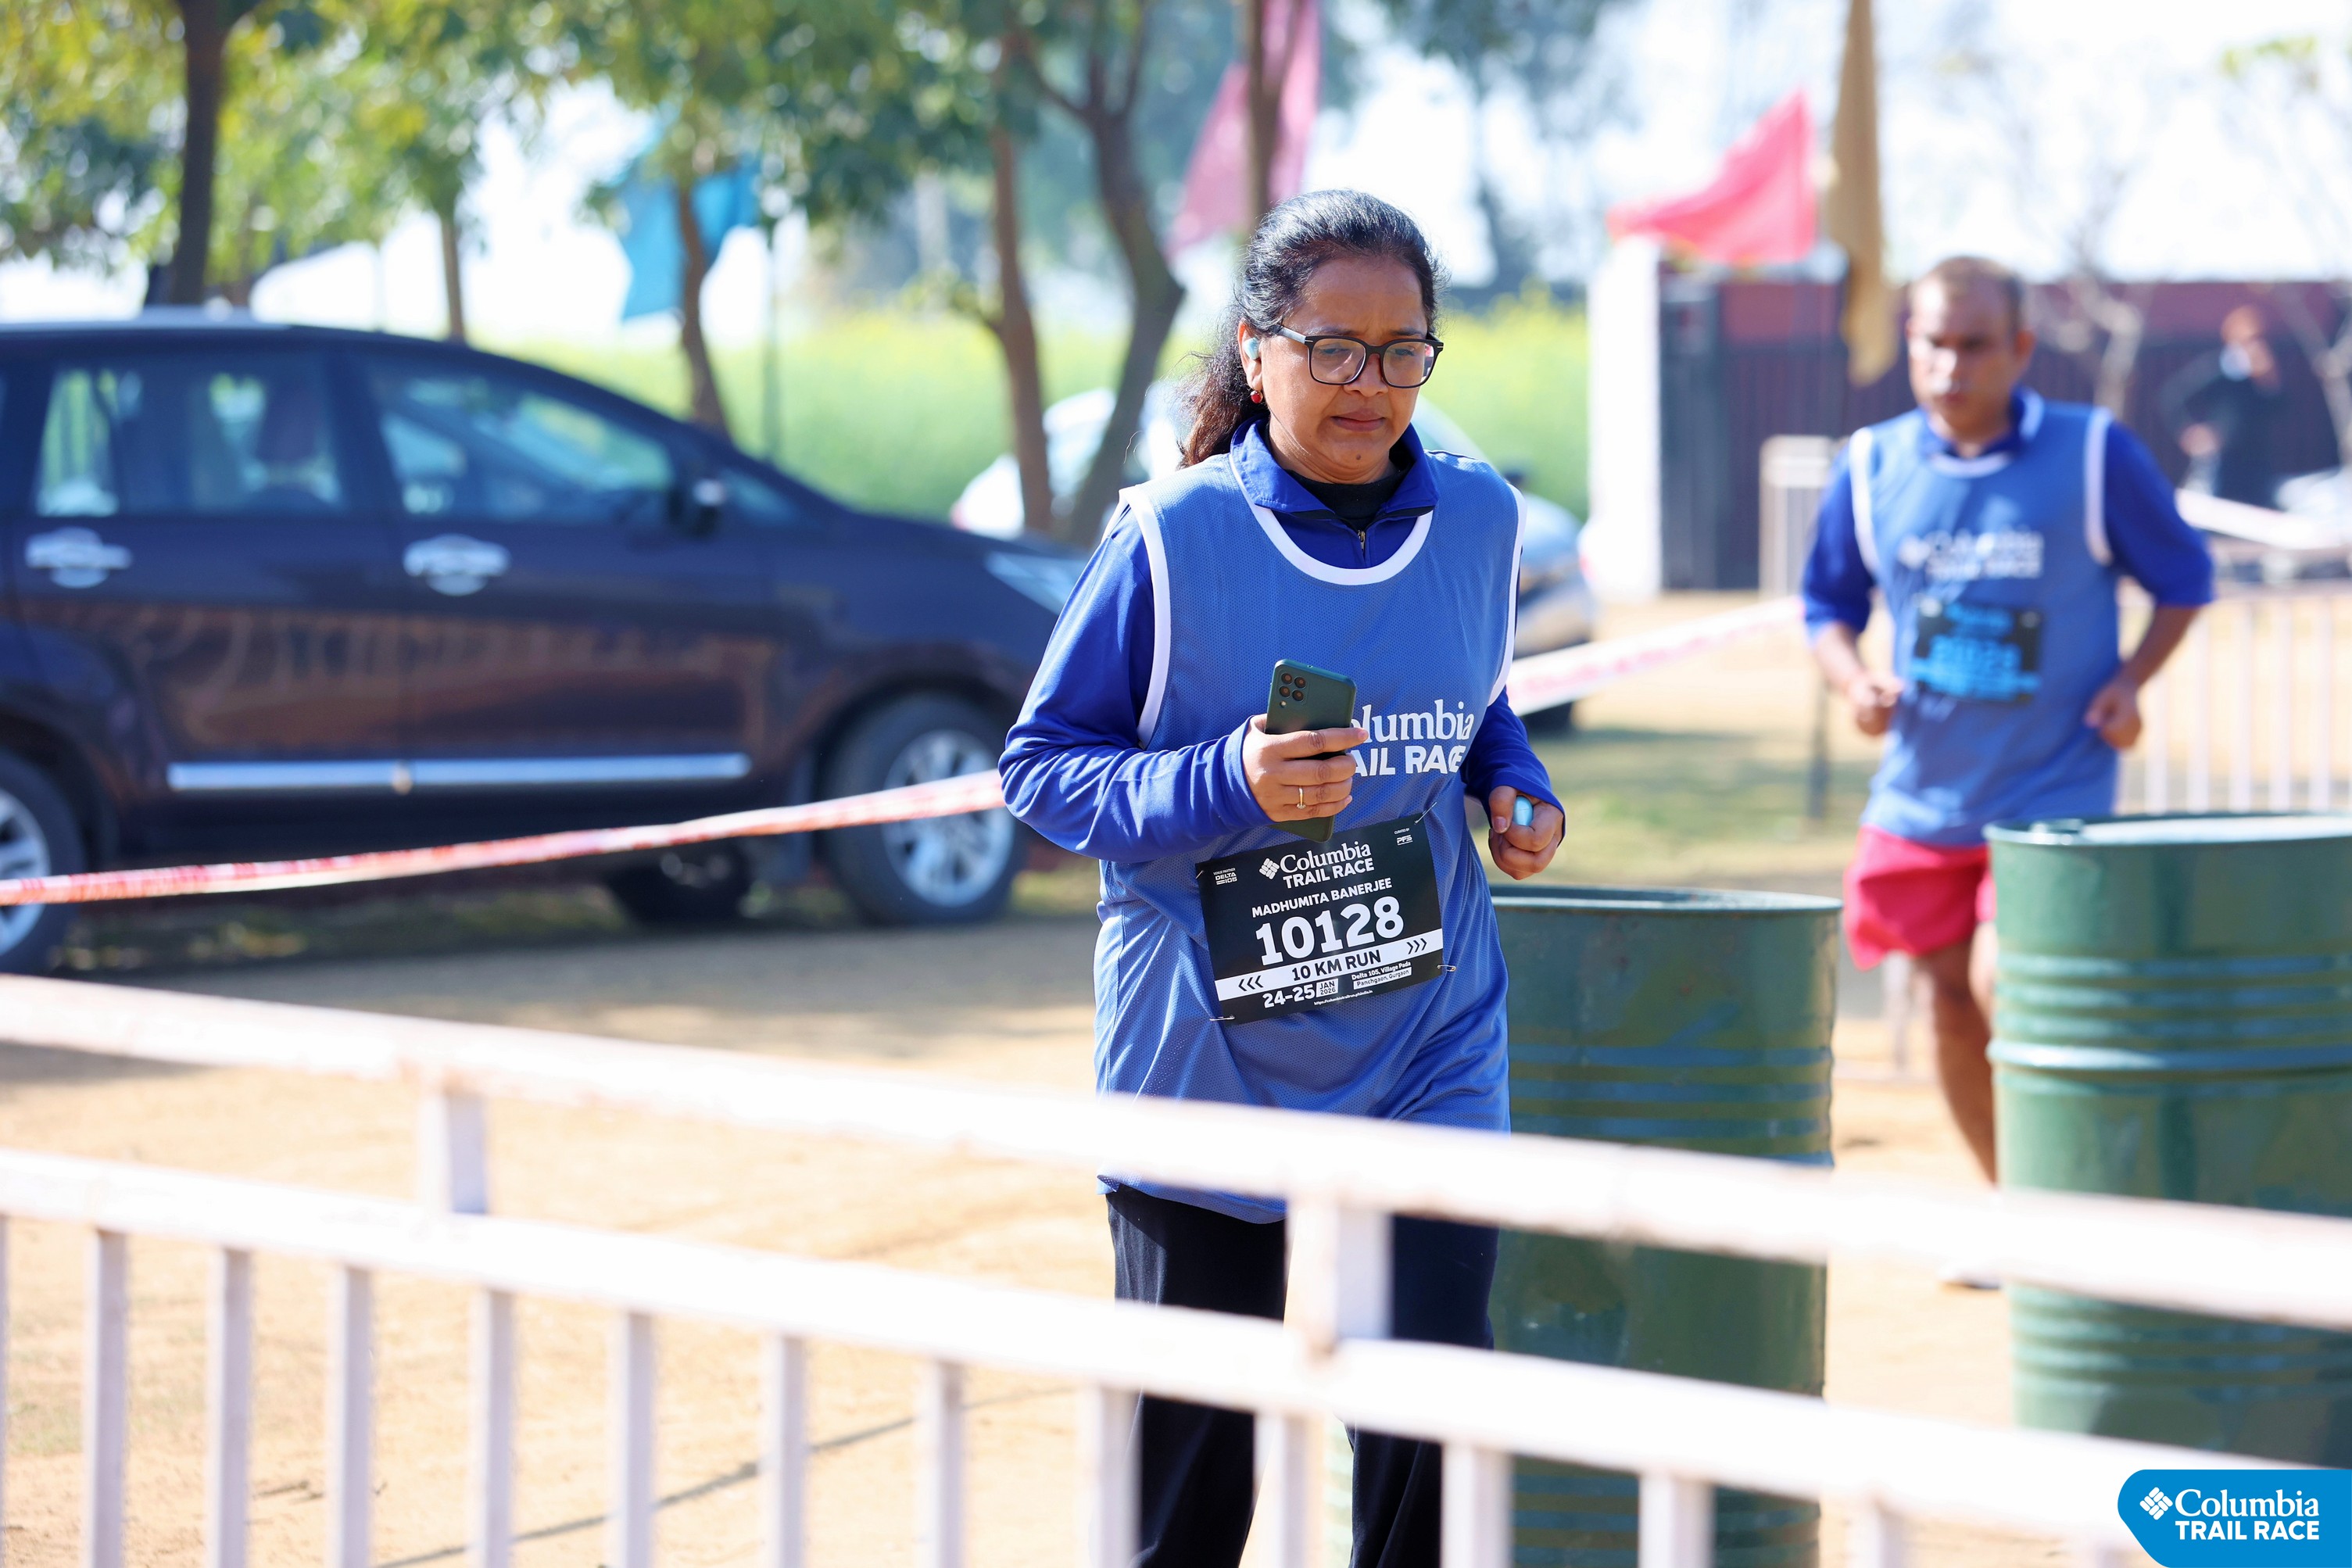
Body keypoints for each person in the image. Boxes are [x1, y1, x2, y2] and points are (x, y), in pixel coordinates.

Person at [999, 189, 1564, 1568]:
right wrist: (1226, 779)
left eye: (1401, 350)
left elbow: (1472, 698)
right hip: (1206, 1046)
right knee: (1193, 1469)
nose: (1370, 382)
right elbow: (1040, 771)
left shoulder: (1480, 520)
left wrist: (1513, 783)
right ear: (1257, 355)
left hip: (1423, 1035)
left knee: (1429, 1409)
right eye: (1332, 348)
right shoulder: (1169, 538)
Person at [1802, 256, 2212, 1185]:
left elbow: (2184, 578)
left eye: (1976, 344)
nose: (1953, 366)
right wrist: (1854, 681)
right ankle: (2017, 1208)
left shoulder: (2093, 452)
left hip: (2052, 789)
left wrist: (2131, 680)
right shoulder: (1869, 465)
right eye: (1934, 343)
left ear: (2021, 347)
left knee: (2009, 986)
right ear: (1909, 345)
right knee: (1949, 1007)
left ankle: (2079, 1199)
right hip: (1926, 794)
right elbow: (1826, 604)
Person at [2161, 303, 2285, 508]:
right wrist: (2189, 432)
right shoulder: (2217, 370)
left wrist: (2269, 381)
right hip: (2222, 464)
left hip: (2257, 463)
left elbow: (2280, 410)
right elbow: (2173, 396)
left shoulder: (2262, 375)